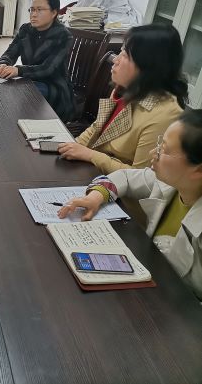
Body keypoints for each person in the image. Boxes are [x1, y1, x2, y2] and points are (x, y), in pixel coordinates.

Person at [58, 110, 202, 299]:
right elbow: (125, 177)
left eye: (164, 150)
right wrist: (96, 197)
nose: (154, 153)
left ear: (198, 171)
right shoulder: (172, 183)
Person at [57, 24, 186, 174]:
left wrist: (90, 155)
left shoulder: (165, 115)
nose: (115, 60)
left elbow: (141, 177)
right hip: (92, 172)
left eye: (125, 55)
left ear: (148, 66)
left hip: (114, 185)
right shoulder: (126, 89)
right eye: (121, 52)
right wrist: (70, 147)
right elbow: (96, 129)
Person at [0, 0, 75, 121]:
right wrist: (3, 63)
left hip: (53, 86)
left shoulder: (63, 35)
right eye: (32, 9)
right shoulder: (26, 29)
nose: (33, 14)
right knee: (0, 85)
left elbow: (48, 68)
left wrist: (18, 70)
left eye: (39, 10)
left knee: (17, 93)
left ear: (54, 13)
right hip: (30, 80)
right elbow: (11, 52)